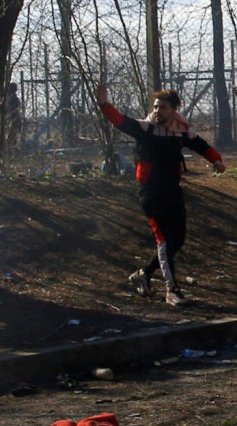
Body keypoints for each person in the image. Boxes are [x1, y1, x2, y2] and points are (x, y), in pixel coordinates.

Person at [96, 84, 225, 306]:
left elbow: (201, 145)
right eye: (155, 107)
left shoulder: (181, 131)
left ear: (174, 109)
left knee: (178, 240)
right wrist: (103, 104)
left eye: (163, 107)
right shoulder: (145, 128)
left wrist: (216, 160)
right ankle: (172, 290)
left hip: (173, 191)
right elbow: (120, 121)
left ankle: (143, 274)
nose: (158, 111)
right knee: (164, 240)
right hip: (151, 193)